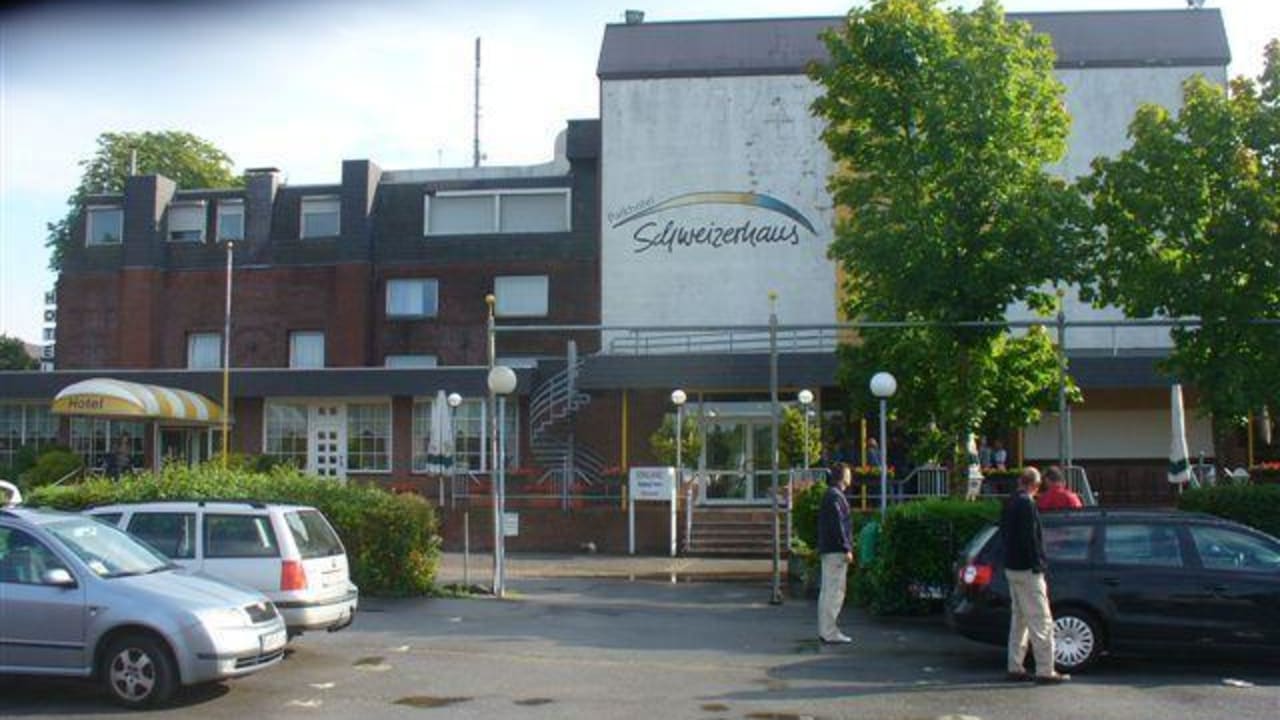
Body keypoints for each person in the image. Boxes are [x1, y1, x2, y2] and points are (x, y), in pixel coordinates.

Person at [1000, 466, 1069, 684]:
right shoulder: (1027, 504)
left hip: (1011, 567)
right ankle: (1045, 670)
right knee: (1041, 620)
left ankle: (1015, 666)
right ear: (1035, 485)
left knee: (1019, 619)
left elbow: (1005, 533)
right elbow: (1031, 538)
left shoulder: (1010, 501)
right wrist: (1038, 564)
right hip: (1027, 570)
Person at [817, 462, 854, 644]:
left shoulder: (831, 495)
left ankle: (826, 630)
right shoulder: (835, 497)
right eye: (848, 473)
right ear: (843, 476)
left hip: (829, 549)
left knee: (828, 591)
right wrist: (846, 547)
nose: (851, 476)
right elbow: (838, 525)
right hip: (836, 551)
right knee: (834, 591)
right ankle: (830, 632)